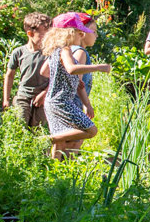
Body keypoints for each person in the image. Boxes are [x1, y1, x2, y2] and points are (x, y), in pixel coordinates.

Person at [40, 12, 108, 159]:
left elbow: (44, 71)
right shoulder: (64, 50)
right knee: (91, 130)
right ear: (69, 33)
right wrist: (98, 67)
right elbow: (71, 69)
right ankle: (44, 141)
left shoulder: (56, 51)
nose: (82, 36)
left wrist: (67, 80)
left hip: (52, 101)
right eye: (79, 33)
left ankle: (55, 171)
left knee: (60, 139)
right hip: (62, 101)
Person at [4, 13, 51, 129]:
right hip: (23, 96)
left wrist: (44, 94)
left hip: (42, 97)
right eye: (43, 36)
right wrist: (6, 99)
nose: (46, 40)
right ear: (30, 34)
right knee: (19, 127)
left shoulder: (49, 53)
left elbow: (56, 76)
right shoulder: (19, 52)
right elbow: (9, 76)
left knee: (38, 129)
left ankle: (37, 148)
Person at [67, 12, 97, 94]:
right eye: (94, 31)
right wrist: (87, 105)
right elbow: (76, 84)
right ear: (82, 32)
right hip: (74, 103)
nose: (96, 36)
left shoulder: (68, 49)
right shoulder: (80, 52)